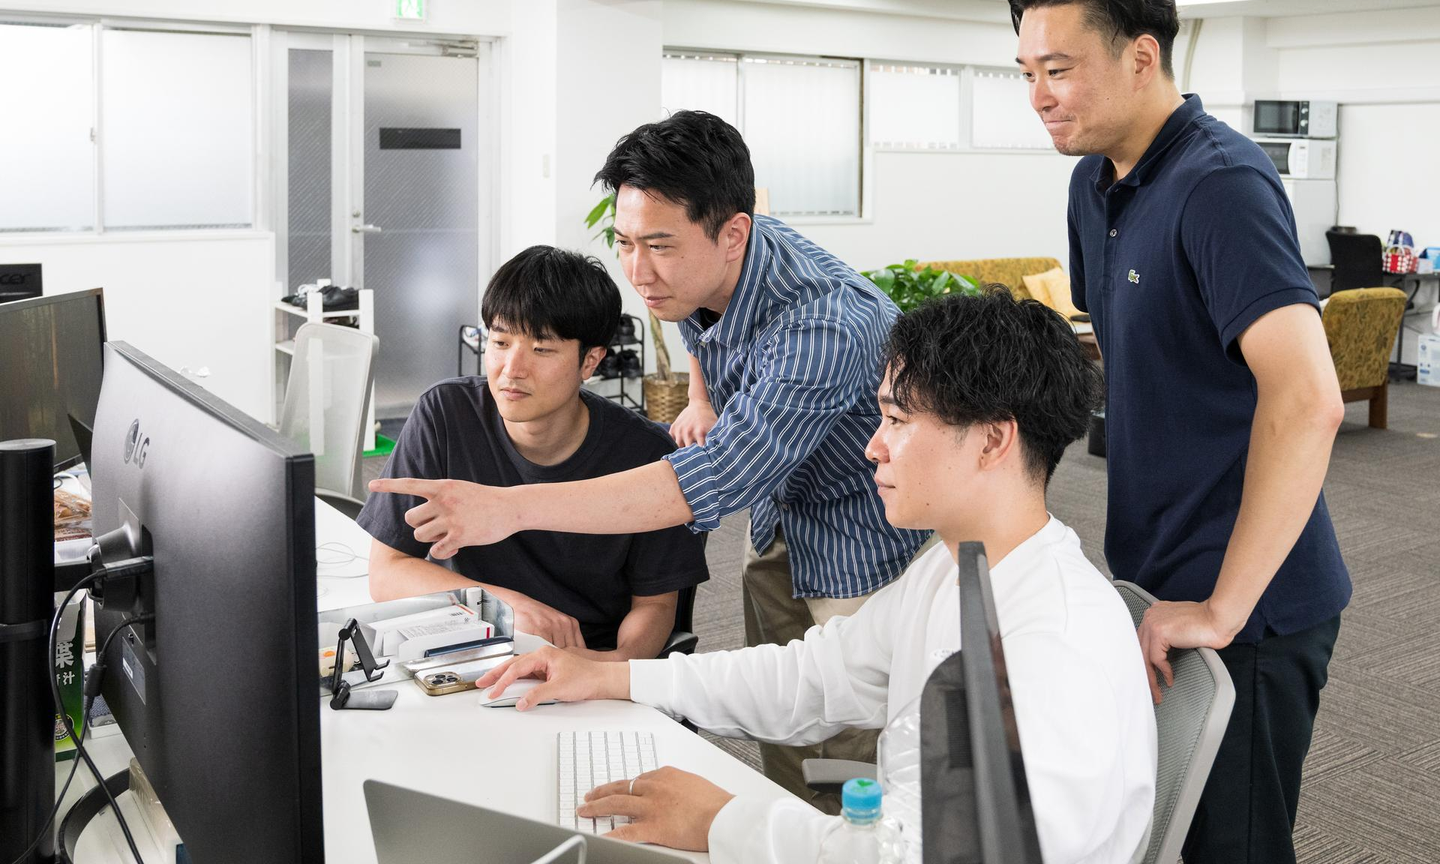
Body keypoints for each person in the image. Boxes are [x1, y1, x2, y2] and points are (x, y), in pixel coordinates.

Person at [477, 288, 1157, 864]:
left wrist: (722, 820)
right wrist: (615, 677)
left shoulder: (1048, 645)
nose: (873, 446)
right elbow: (813, 675)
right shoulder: (955, 568)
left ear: (992, 439)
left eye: (896, 420)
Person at [371, 111, 929, 802]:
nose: (638, 272)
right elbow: (700, 329)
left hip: (860, 520)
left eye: (659, 246)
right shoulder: (702, 269)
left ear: (733, 234)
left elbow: (713, 479)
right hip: (780, 507)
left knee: (853, 730)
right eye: (625, 243)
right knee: (780, 709)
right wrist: (701, 396)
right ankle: (794, 826)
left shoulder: (824, 324)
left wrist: (508, 508)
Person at [1010, 0, 1351, 864]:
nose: (1039, 95)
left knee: (1234, 847)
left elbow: (1308, 399)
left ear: (1141, 56)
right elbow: (1127, 358)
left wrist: (1224, 608)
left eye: (1059, 69)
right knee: (1163, 835)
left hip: (1248, 603)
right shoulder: (1093, 182)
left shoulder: (1220, 183)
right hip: (1154, 579)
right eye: (1026, 72)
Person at [356, 246, 708, 660]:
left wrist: (608, 667)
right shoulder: (447, 414)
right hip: (473, 645)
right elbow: (388, 571)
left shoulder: (646, 454)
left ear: (590, 361)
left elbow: (655, 606)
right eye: (500, 342)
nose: (512, 369)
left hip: (586, 658)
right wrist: (504, 605)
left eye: (542, 349)